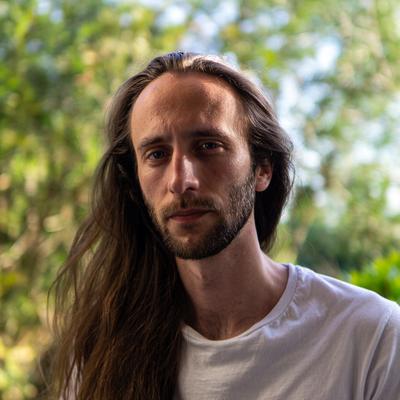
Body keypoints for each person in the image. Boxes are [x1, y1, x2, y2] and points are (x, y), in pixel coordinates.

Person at [50, 51, 400, 400]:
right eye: (156, 154)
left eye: (208, 146)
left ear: (263, 168)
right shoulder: (102, 353)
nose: (180, 181)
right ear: (135, 180)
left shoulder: (370, 337)